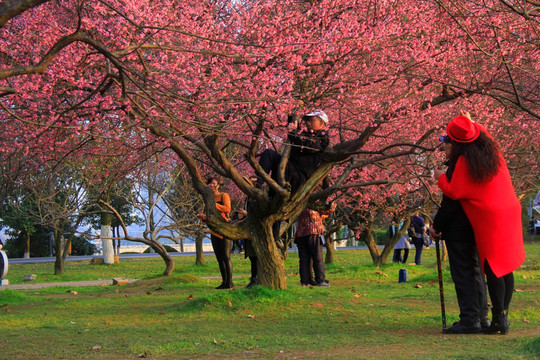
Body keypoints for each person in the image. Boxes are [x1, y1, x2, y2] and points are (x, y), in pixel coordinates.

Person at [434, 113, 526, 335]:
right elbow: (479, 129)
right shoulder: (492, 149)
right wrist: (470, 121)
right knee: (505, 265)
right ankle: (501, 317)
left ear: (455, 143)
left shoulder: (465, 162)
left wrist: (440, 177)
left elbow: (454, 191)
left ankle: (498, 321)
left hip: (489, 216)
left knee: (492, 265)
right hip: (510, 210)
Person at [430, 134, 490, 334]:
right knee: (474, 272)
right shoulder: (475, 163)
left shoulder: (457, 166)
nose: (444, 149)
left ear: (454, 146)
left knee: (464, 274)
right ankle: (481, 317)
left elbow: (451, 201)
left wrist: (436, 226)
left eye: (446, 145)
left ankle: (470, 319)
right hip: (473, 225)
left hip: (459, 229)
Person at [198, 177, 234, 289]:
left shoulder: (223, 196)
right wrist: (203, 218)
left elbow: (227, 209)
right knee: (219, 258)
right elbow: (210, 215)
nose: (212, 186)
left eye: (214, 184)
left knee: (226, 256)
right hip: (213, 230)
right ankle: (224, 282)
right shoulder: (208, 198)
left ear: (218, 185)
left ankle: (230, 283)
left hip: (224, 229)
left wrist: (214, 204)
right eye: (210, 184)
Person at [294, 202, 336, 287]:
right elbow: (328, 210)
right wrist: (333, 202)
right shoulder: (315, 202)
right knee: (317, 257)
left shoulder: (298, 201)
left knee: (304, 259)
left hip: (300, 233)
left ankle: (306, 281)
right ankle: (320, 280)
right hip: (313, 232)